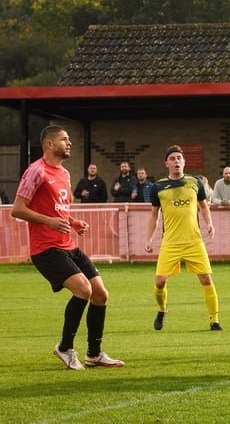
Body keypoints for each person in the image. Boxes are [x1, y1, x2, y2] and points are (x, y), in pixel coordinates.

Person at [11, 125, 124, 370]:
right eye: (64, 139)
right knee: (83, 290)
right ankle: (64, 347)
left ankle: (94, 354)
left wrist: (73, 223)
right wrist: (49, 222)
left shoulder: (64, 173)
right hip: (45, 249)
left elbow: (58, 210)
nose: (69, 143)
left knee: (101, 294)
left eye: (69, 139)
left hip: (68, 245)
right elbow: (17, 209)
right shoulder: (36, 172)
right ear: (49, 144)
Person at [144, 145, 223, 331]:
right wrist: (149, 239)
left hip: (194, 241)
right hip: (170, 242)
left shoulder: (195, 182)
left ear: (184, 162)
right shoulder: (158, 186)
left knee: (206, 279)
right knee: (160, 282)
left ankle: (214, 320)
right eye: (172, 158)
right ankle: (162, 309)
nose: (176, 161)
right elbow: (154, 215)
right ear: (166, 163)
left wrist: (209, 223)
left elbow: (204, 206)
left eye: (179, 158)